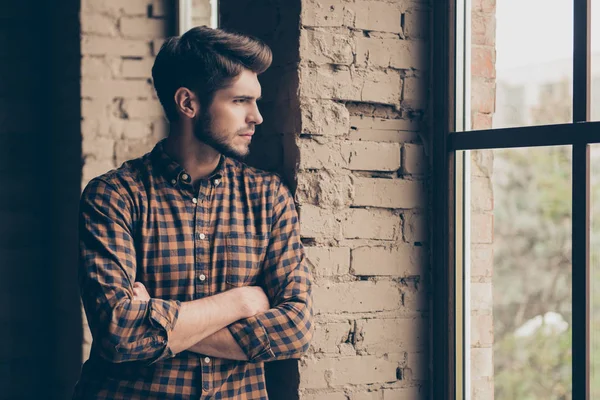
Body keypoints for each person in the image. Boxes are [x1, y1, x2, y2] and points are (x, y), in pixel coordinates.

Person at [73, 26, 313, 399]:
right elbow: (118, 334)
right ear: (188, 103)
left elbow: (295, 329)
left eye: (256, 101)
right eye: (240, 102)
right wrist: (240, 302)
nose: (257, 117)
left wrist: (159, 325)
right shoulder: (114, 196)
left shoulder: (268, 198)